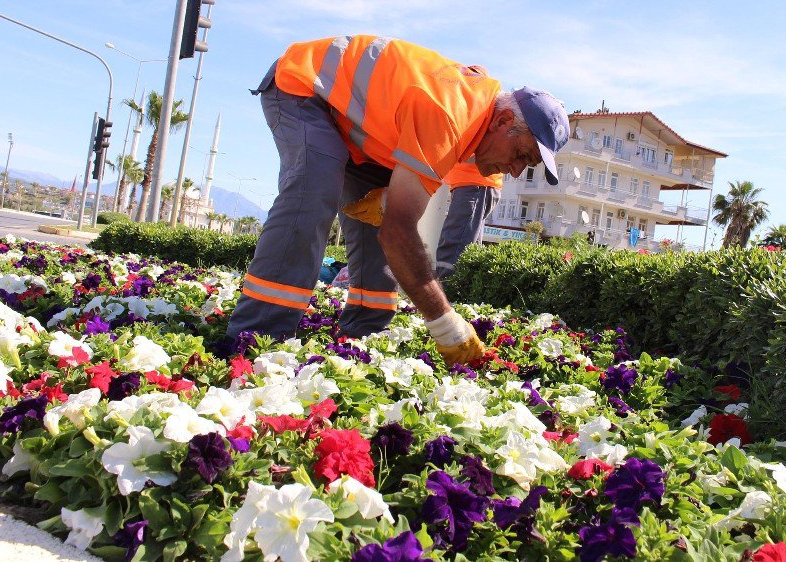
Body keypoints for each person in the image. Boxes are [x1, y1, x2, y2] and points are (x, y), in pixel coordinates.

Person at [226, 35, 569, 366]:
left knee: (374, 215)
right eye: (521, 154)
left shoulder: (473, 121)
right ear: (504, 120)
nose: (514, 170)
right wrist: (445, 324)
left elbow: (391, 227)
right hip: (306, 86)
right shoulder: (450, 114)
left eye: (527, 165)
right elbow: (398, 233)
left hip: (360, 133)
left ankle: (362, 333)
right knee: (314, 193)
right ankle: (255, 335)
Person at [434, 163, 503, 279]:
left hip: (473, 182)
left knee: (454, 248)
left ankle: (446, 292)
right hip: (473, 182)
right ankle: (452, 291)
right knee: (467, 253)